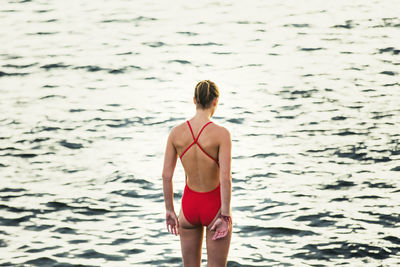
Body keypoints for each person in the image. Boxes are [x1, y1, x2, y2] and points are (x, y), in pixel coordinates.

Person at [162, 80, 232, 267]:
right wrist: (225, 216)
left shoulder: (176, 133)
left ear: (194, 100)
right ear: (215, 101)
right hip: (214, 207)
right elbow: (225, 178)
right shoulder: (222, 134)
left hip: (189, 207)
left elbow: (166, 176)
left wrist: (169, 209)